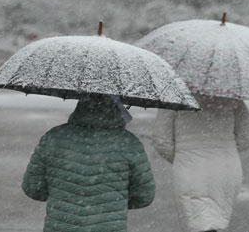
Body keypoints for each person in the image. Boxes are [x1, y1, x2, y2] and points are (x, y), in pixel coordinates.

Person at [22, 94, 155, 231]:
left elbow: (32, 188)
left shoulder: (53, 137)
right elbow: (144, 196)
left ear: (79, 105)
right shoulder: (129, 143)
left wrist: (61, 196)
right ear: (117, 109)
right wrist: (113, 202)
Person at [152, 94, 249, 232]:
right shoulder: (231, 97)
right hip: (225, 168)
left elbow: (162, 141)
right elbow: (247, 137)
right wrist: (225, 150)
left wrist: (181, 157)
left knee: (196, 220)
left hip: (190, 169)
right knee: (218, 218)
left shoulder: (173, 96)